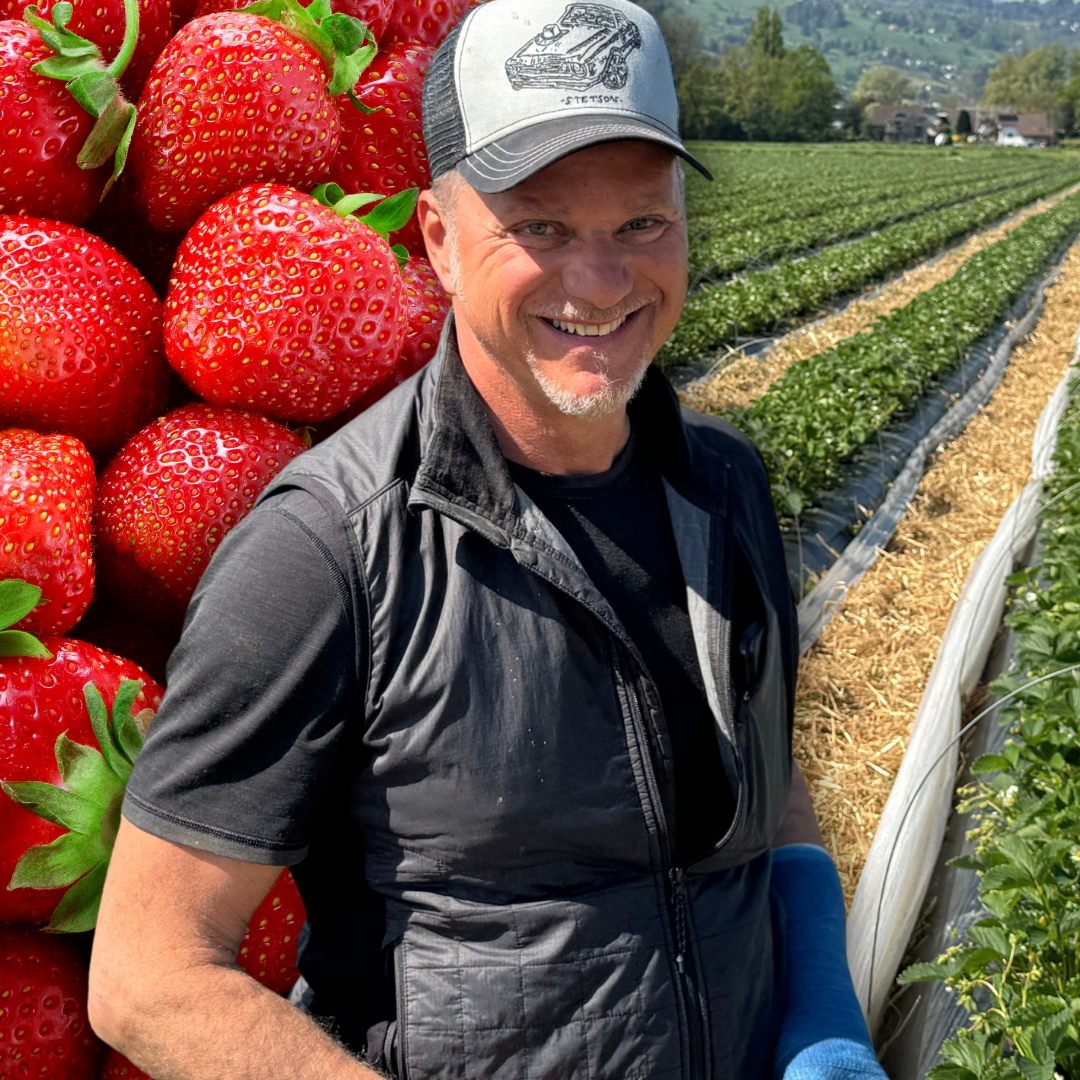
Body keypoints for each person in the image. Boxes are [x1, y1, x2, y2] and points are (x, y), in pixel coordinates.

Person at [89, 1, 888, 1077]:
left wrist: (824, 1011)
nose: (601, 281)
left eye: (642, 222)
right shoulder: (328, 550)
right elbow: (148, 976)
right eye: (541, 229)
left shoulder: (724, 483)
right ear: (438, 240)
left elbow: (768, 773)